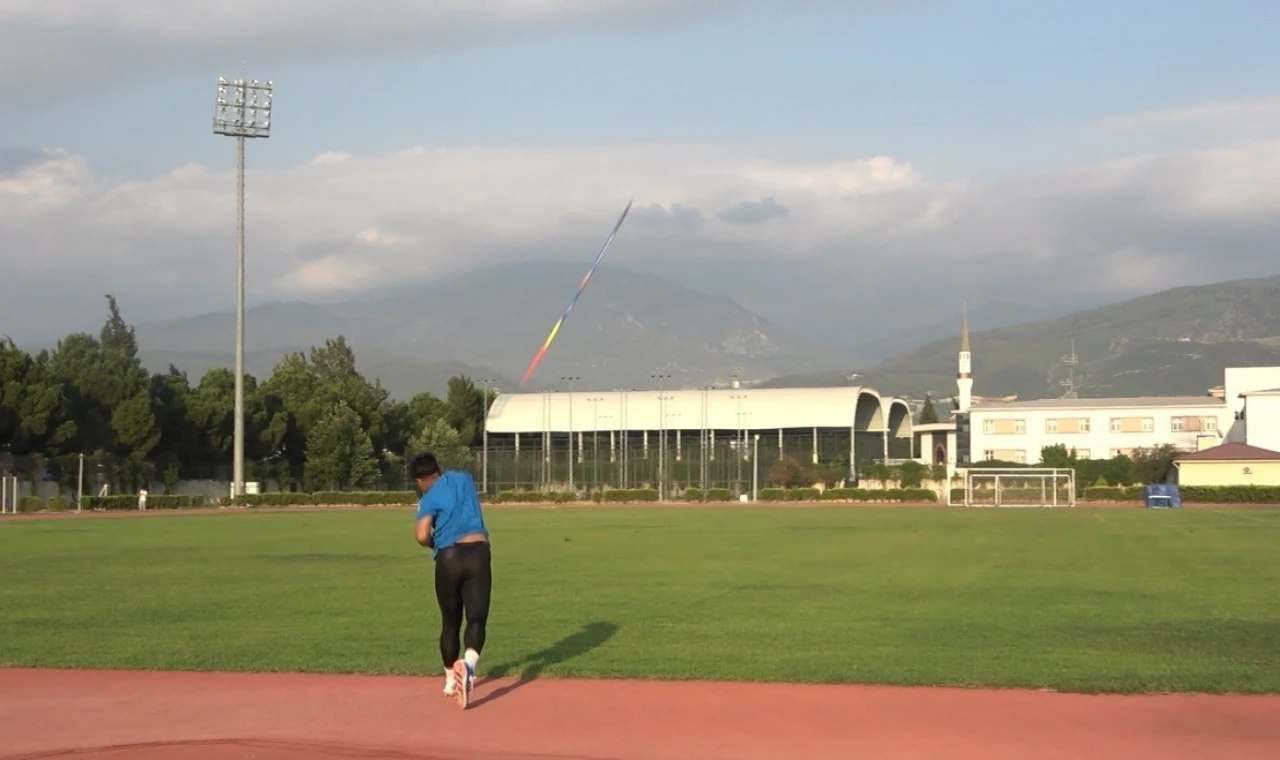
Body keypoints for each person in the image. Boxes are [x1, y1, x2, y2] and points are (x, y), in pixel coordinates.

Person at [411, 452, 491, 710]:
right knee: (476, 617)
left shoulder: (428, 497)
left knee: (450, 622)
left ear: (420, 480)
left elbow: (422, 535)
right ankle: (467, 665)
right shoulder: (464, 478)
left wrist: (436, 544)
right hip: (479, 551)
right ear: (437, 469)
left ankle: (449, 681)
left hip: (449, 556)